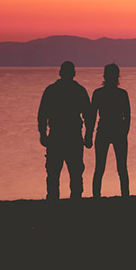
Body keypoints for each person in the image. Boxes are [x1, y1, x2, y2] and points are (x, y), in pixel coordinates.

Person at [38, 61, 92, 200]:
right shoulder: (79, 90)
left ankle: (54, 200)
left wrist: (43, 134)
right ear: (73, 73)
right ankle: (75, 200)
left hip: (57, 136)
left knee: (54, 173)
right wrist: (88, 135)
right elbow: (88, 115)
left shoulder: (51, 90)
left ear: (60, 73)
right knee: (74, 172)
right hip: (72, 136)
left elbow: (43, 114)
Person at [88, 63, 131, 197]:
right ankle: (125, 195)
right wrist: (124, 132)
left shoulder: (99, 93)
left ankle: (97, 196)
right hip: (115, 130)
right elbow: (127, 116)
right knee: (120, 168)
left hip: (105, 130)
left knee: (101, 167)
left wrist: (88, 134)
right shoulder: (121, 94)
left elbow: (92, 116)